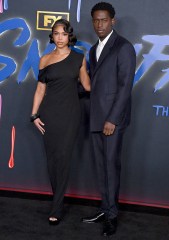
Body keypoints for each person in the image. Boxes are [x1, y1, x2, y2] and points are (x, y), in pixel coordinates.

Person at [82, 2, 136, 236]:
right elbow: (94, 85)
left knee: (111, 168)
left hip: (111, 121)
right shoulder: (94, 48)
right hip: (95, 118)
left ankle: (112, 216)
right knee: (100, 168)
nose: (99, 24)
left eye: (104, 20)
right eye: (96, 20)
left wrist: (112, 119)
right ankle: (105, 208)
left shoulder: (123, 47)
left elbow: (125, 87)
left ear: (113, 21)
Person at [31, 19, 90, 225]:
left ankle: (56, 207)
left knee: (63, 159)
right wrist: (34, 115)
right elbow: (40, 90)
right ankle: (58, 199)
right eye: (56, 33)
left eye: (64, 34)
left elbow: (88, 86)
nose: (60, 38)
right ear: (52, 36)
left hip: (70, 115)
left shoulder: (79, 58)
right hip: (49, 115)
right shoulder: (44, 60)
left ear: (69, 36)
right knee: (52, 161)